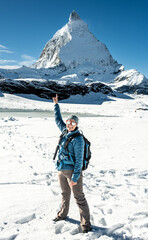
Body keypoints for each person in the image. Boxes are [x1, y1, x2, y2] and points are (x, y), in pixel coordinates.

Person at [52, 94, 91, 233]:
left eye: (72, 123)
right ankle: (62, 215)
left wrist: (74, 178)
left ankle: (86, 226)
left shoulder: (78, 139)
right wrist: (56, 104)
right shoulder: (64, 131)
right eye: (68, 122)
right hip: (61, 170)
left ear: (76, 124)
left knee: (79, 198)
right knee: (64, 194)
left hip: (73, 173)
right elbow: (57, 119)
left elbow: (79, 160)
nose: (69, 124)